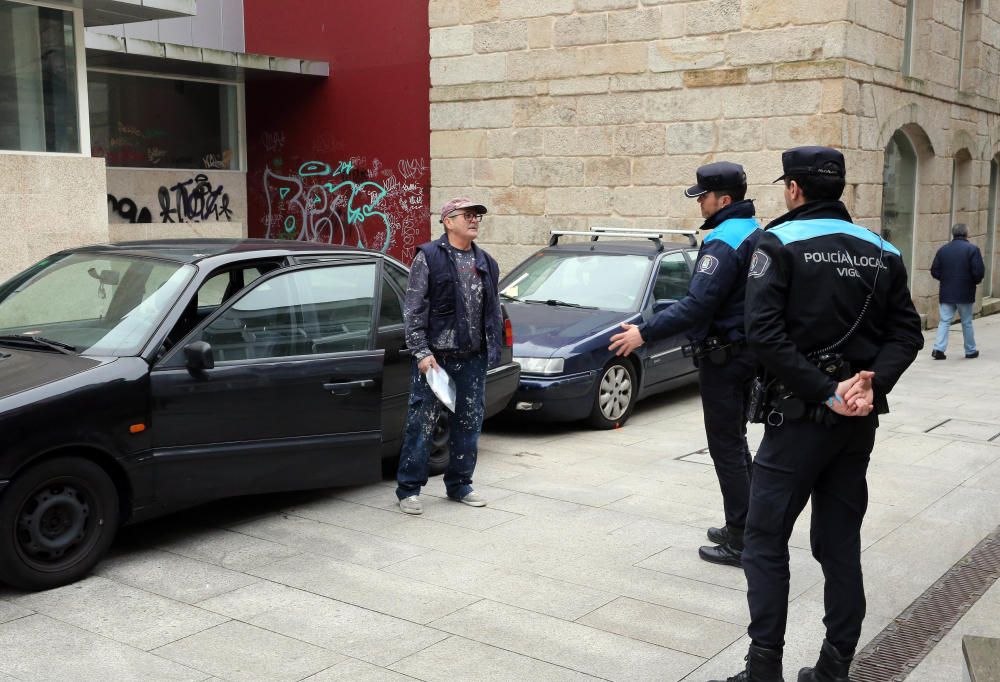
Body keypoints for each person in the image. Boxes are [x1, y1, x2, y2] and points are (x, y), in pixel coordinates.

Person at [712, 146, 923, 682]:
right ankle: (834, 668)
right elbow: (907, 335)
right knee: (839, 542)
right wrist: (870, 382)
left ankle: (763, 670)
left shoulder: (777, 242)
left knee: (763, 541)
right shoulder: (883, 250)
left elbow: (763, 334)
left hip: (798, 418)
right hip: (857, 424)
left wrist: (826, 391)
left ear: (793, 188)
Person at [609, 161, 762, 567]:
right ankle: (744, 526)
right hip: (744, 353)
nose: (700, 204)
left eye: (704, 197)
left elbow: (698, 305)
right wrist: (647, 321)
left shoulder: (724, 241)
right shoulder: (755, 231)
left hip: (725, 358)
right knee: (736, 443)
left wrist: (644, 333)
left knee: (726, 448)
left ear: (724, 200)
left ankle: (743, 540)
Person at [395, 197, 503, 515]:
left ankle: (460, 485)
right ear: (448, 221)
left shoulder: (487, 262)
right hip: (436, 359)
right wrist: (420, 351)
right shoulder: (429, 257)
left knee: (468, 423)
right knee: (422, 423)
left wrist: (492, 350)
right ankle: (409, 489)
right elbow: (414, 308)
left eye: (477, 216)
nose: (474, 221)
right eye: (467, 215)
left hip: (473, 357)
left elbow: (492, 311)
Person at [930, 222, 984, 360]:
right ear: (967, 234)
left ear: (953, 234)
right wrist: (973, 281)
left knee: (944, 321)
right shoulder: (972, 249)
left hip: (947, 292)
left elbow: (934, 271)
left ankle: (938, 349)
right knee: (966, 322)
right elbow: (978, 272)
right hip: (965, 292)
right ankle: (970, 350)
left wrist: (946, 279)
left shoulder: (943, 249)